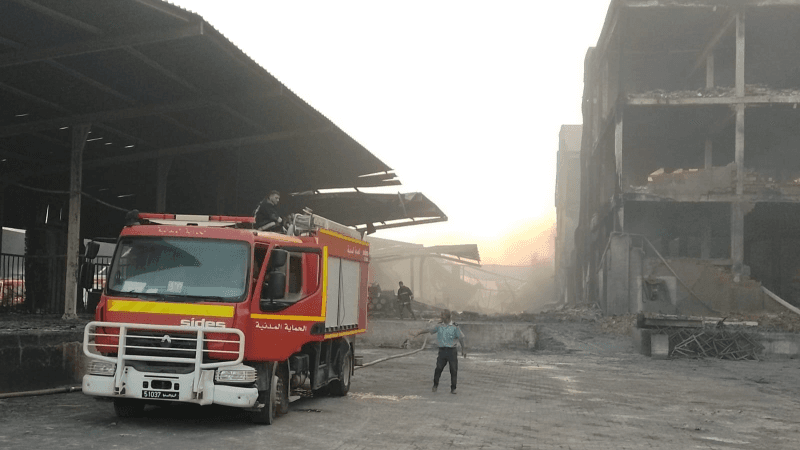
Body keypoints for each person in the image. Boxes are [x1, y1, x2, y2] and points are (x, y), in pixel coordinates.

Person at [415, 309, 466, 394]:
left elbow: (461, 338)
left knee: (453, 370)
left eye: (442, 316)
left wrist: (463, 350)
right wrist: (419, 333)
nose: (440, 317)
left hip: (452, 351)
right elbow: (429, 329)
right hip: (442, 351)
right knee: (438, 369)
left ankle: (453, 388)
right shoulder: (439, 326)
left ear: (446, 317)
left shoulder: (455, 326)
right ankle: (435, 385)